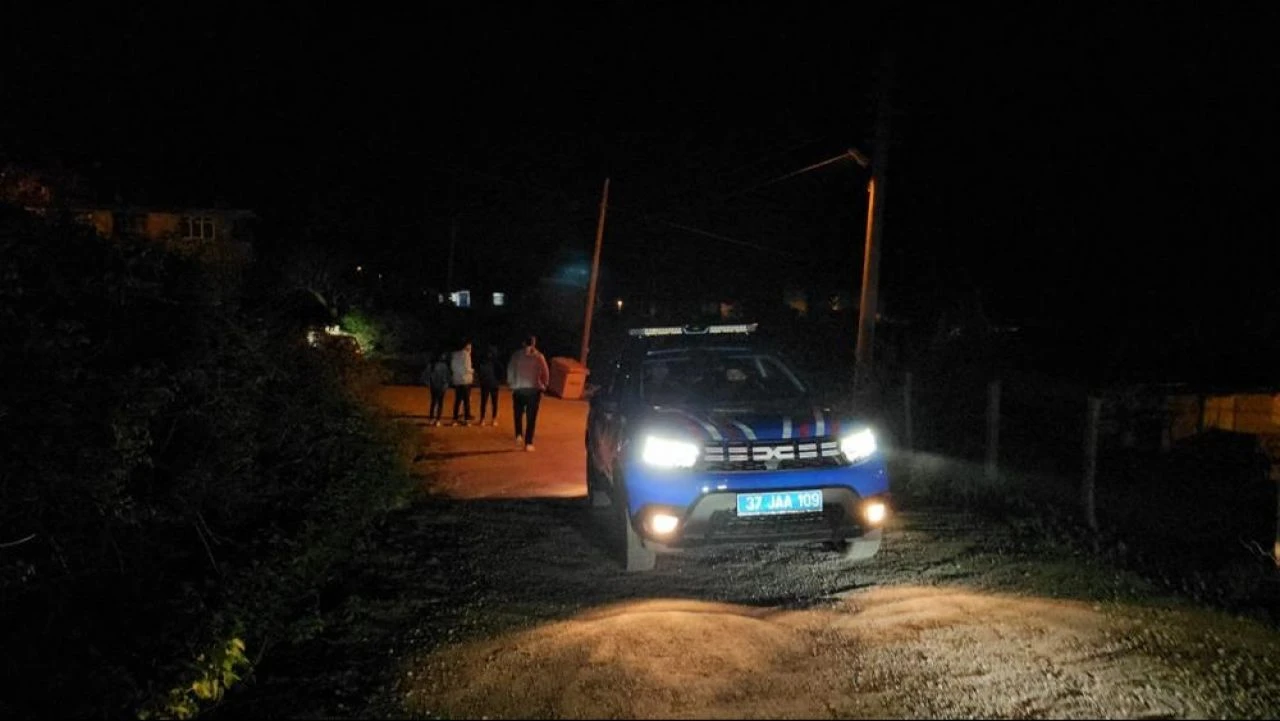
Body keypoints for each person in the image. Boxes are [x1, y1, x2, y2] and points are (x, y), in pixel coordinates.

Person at [506, 334, 549, 451]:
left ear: (523, 343)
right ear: (534, 343)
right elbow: (546, 372)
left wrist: (511, 383)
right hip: (533, 391)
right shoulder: (539, 356)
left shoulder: (516, 355)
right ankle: (528, 442)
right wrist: (544, 385)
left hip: (519, 389)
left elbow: (510, 369)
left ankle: (519, 434)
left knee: (518, 414)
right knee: (531, 418)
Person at [449, 340, 474, 426]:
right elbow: (467, 368)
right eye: (469, 347)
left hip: (457, 380)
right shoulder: (466, 355)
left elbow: (452, 367)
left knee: (457, 401)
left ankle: (455, 419)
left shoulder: (454, 354)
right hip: (465, 381)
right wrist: (472, 371)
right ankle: (466, 420)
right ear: (466, 346)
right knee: (466, 401)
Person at [475, 344, 501, 427]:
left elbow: (500, 373)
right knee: (486, 402)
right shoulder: (486, 362)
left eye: (491, 353)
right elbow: (480, 373)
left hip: (491, 384)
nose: (489, 354)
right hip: (488, 384)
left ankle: (492, 419)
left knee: (492, 403)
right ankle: (484, 419)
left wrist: (497, 381)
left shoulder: (495, 363)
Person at [424, 350, 451, 426]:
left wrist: (429, 384)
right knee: (440, 403)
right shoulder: (444, 366)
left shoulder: (431, 365)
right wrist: (446, 385)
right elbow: (448, 377)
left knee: (433, 403)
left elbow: (425, 377)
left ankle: (431, 419)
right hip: (441, 387)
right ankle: (438, 420)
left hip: (434, 386)